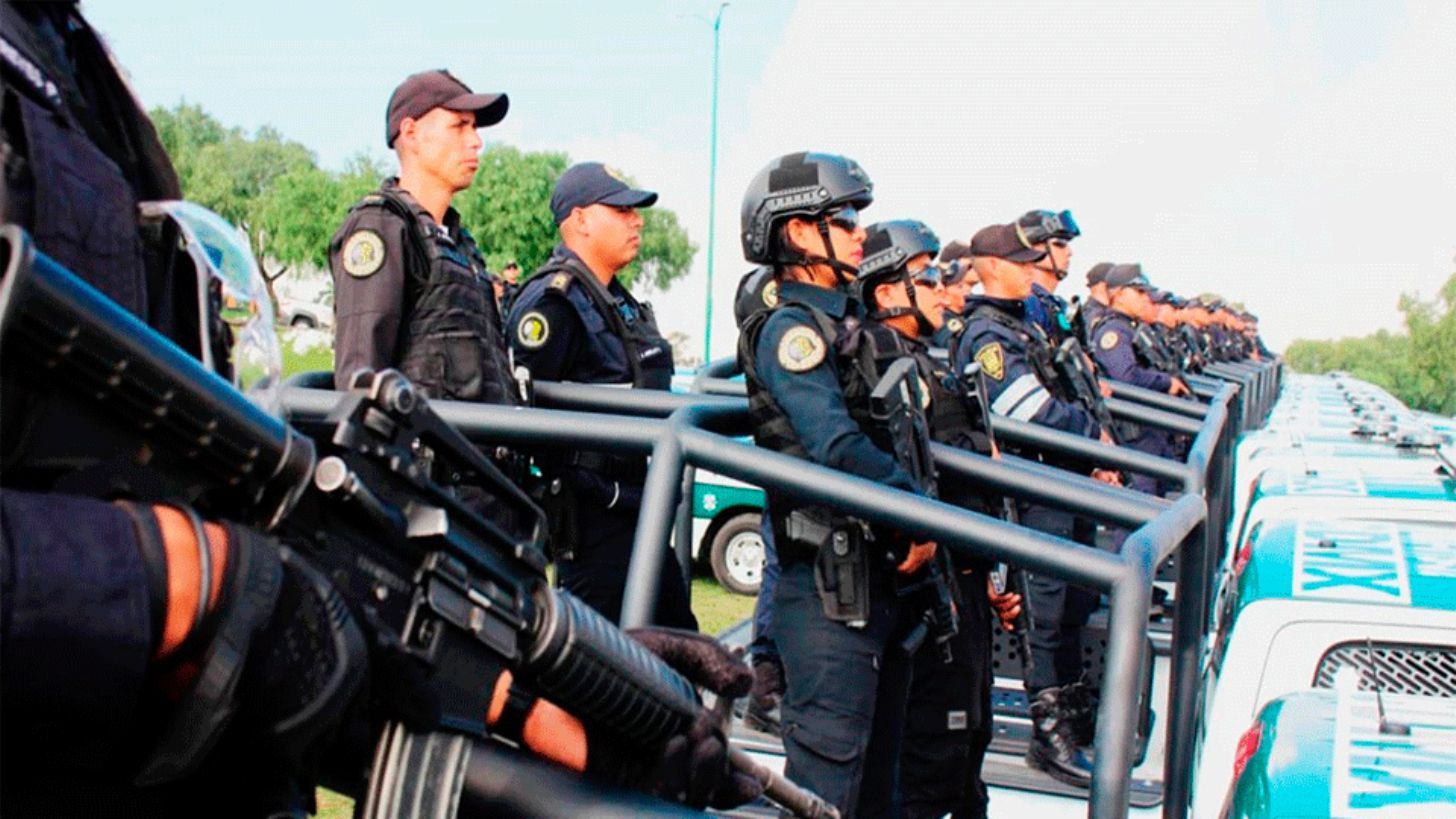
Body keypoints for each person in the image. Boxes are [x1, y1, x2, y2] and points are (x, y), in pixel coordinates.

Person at [737, 151, 936, 817]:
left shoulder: (852, 327)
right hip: (829, 597)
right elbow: (835, 445)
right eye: (845, 218)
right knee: (827, 799)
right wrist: (918, 517)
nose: (860, 232)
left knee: (877, 794)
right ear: (799, 232)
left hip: (877, 585)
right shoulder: (792, 330)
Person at [856, 220, 1020, 819]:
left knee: (967, 744)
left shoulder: (924, 360)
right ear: (886, 292)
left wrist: (995, 572)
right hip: (931, 585)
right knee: (931, 759)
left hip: (965, 575)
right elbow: (920, 465)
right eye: (927, 278)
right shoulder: (879, 362)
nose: (947, 290)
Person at [953, 222, 1122, 788]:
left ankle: (1072, 724)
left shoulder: (1023, 325)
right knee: (1042, 618)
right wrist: (1090, 438)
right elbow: (1027, 410)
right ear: (992, 266)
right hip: (1032, 491)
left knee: (1071, 608)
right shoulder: (987, 334)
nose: (1033, 271)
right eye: (1022, 264)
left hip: (1059, 483)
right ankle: (1048, 738)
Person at [507, 162, 695, 630]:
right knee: (598, 660)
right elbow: (519, 418)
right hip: (592, 520)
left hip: (637, 507)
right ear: (581, 220)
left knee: (678, 645)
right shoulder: (553, 303)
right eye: (622, 211)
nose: (637, 221)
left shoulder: (617, 302)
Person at [330, 69, 515, 409]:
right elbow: (360, 377)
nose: (476, 141)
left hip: (479, 441)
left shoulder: (460, 243)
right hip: (426, 443)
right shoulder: (382, 226)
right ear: (411, 133)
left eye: (474, 128)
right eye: (459, 126)